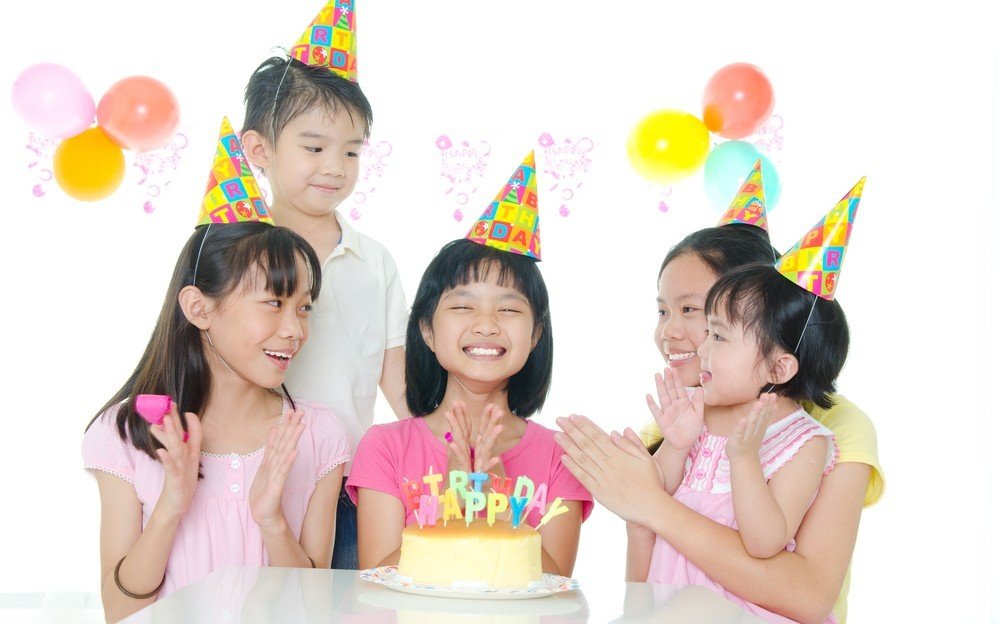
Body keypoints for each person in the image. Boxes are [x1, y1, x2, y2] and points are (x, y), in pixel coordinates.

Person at [557, 178, 882, 624]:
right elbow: (645, 561)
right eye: (663, 310)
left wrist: (650, 503)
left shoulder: (831, 430)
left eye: (696, 313)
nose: (670, 332)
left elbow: (806, 595)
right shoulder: (682, 417)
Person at [83, 202, 351, 621]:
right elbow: (120, 612)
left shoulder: (318, 434)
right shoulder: (125, 431)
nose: (294, 330)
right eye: (274, 302)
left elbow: (314, 610)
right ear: (199, 308)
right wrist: (170, 507)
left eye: (304, 307)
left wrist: (272, 520)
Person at [347, 154, 592, 576]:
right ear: (426, 329)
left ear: (536, 334)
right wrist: (455, 508)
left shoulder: (562, 455)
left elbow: (554, 586)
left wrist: (496, 504)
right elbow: (375, 582)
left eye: (509, 309)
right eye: (463, 306)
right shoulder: (385, 447)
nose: (486, 324)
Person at [238, 2, 409, 569]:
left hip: (350, 487)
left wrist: (435, 447)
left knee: (349, 600)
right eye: (314, 147)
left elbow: (396, 376)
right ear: (260, 149)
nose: (335, 166)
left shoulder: (374, 261)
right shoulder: (233, 256)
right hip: (252, 477)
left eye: (351, 151)